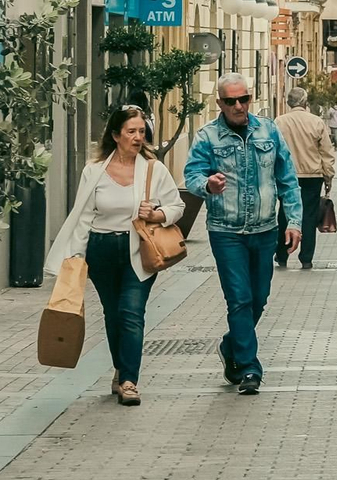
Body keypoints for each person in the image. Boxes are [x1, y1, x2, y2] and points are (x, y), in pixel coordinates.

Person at [45, 104, 183, 407]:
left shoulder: (153, 169)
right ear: (116, 135)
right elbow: (84, 217)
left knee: (132, 313)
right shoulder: (94, 172)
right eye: (131, 132)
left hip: (139, 249)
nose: (137, 137)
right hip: (102, 250)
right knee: (113, 314)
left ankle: (130, 381)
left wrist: (157, 214)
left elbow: (177, 206)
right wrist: (77, 257)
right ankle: (121, 368)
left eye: (141, 132)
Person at [183, 73, 303, 395]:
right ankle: (250, 368)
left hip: (265, 229)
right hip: (226, 231)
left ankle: (231, 345)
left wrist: (294, 222)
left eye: (244, 99)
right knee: (239, 299)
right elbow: (191, 174)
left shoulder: (269, 130)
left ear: (250, 99)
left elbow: (288, 179)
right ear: (219, 103)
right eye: (231, 101)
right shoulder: (207, 136)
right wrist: (207, 185)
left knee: (259, 298)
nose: (239, 106)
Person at [274, 87, 336, 269]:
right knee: (309, 216)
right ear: (305, 102)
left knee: (284, 215)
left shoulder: (279, 122)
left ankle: (282, 254)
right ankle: (306, 258)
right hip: (312, 175)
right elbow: (326, 151)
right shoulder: (316, 122)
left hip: (286, 175)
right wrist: (328, 176)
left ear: (288, 102)